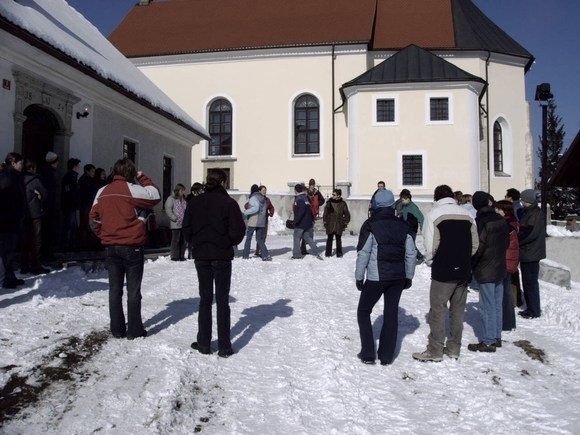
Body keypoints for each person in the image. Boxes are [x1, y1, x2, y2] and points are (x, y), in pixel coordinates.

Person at [89, 158, 161, 340]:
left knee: (114, 290)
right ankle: (134, 330)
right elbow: (155, 195)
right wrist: (142, 177)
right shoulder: (132, 189)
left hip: (111, 246)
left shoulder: (102, 191)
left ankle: (117, 329)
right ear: (130, 173)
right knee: (133, 291)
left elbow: (93, 218)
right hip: (131, 245)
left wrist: (104, 233)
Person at [182, 169, 246, 357]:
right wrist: (227, 241)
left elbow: (186, 228)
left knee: (205, 298)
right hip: (221, 255)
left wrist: (196, 241)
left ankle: (204, 343)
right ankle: (224, 346)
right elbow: (238, 230)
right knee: (222, 300)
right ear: (224, 182)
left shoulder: (195, 202)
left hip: (202, 254)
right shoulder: (229, 203)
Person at [412, 185, 479, 362]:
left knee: (438, 310)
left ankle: (435, 350)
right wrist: (464, 258)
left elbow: (430, 243)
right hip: (463, 269)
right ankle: (454, 348)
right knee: (458, 311)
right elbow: (475, 243)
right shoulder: (467, 214)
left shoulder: (434, 214)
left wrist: (431, 261)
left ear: (436, 198)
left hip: (443, 269)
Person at [355, 189, 416, 365]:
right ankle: (386, 355)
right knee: (391, 313)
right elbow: (411, 253)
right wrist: (409, 276)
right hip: (397, 276)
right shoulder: (403, 225)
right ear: (392, 204)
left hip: (377, 276)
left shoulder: (370, 224)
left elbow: (364, 252)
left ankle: (368, 353)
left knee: (363, 311)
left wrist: (359, 276)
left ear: (376, 204)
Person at [467, 191, 509, 353]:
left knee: (487, 305)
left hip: (485, 267)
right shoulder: (499, 219)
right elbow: (506, 242)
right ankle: (496, 336)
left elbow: (478, 246)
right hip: (499, 264)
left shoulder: (480, 221)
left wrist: (472, 263)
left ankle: (489, 340)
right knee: (497, 304)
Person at [517, 189, 546, 319]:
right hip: (527, 252)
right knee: (527, 281)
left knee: (531, 282)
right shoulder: (528, 212)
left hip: (531, 252)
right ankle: (530, 308)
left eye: (522, 199)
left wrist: (518, 240)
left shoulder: (534, 213)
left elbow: (530, 233)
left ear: (527, 200)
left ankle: (534, 310)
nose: (521, 201)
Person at [0, 153, 26, 289]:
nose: (22, 166)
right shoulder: (9, 178)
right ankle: (6, 279)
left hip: (11, 219)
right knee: (7, 251)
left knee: (9, 250)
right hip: (8, 220)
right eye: (20, 163)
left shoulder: (12, 176)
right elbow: (10, 200)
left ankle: (10, 277)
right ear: (13, 163)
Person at [20, 159, 50, 275]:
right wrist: (39, 197)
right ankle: (35, 265)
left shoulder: (19, 179)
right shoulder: (35, 180)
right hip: (35, 213)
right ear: (32, 168)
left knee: (25, 240)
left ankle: (24, 265)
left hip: (23, 213)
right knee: (36, 240)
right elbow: (45, 194)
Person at [495, 200, 519, 331]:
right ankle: (508, 321)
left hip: (506, 261)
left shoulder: (506, 225)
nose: (496, 211)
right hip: (510, 260)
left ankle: (506, 322)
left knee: (504, 293)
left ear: (505, 211)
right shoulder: (512, 222)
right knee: (506, 291)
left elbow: (502, 244)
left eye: (498, 209)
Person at [242, 184, 272, 260]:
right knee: (259, 239)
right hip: (261, 221)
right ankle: (266, 254)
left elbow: (255, 208)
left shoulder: (253, 198)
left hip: (254, 220)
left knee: (248, 238)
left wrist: (246, 212)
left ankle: (245, 255)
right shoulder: (263, 198)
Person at [292, 183, 322, 259]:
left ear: (295, 190)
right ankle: (316, 251)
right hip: (308, 222)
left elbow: (301, 211)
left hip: (301, 223)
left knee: (296, 237)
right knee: (307, 237)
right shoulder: (305, 198)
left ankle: (297, 254)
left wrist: (296, 221)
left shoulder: (299, 199)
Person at [39, 151, 60, 259]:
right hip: (49, 206)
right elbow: (50, 191)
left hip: (47, 206)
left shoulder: (46, 172)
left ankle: (46, 252)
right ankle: (47, 253)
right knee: (48, 230)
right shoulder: (50, 174)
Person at [398, 190, 425, 263]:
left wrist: (422, 228)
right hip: (406, 228)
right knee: (407, 244)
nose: (401, 201)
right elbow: (404, 216)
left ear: (407, 199)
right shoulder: (405, 206)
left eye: (403, 200)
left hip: (412, 229)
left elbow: (421, 218)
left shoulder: (413, 207)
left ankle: (420, 256)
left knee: (411, 244)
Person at [61, 157, 81, 250]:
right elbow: (69, 192)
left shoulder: (73, 177)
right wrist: (75, 200)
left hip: (72, 205)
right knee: (70, 225)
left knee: (72, 225)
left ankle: (71, 243)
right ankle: (67, 244)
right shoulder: (69, 177)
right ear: (74, 166)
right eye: (78, 166)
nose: (79, 168)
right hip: (70, 205)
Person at [323, 188, 350, 257]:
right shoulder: (329, 203)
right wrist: (325, 221)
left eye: (334, 195)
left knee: (338, 239)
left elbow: (347, 214)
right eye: (332, 194)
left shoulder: (343, 203)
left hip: (339, 224)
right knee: (329, 239)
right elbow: (325, 213)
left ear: (338, 195)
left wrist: (345, 222)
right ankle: (328, 253)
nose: (332, 196)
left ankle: (339, 253)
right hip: (330, 223)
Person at [301, 178, 325, 255]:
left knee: (310, 228)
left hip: (314, 213)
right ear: (309, 185)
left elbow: (322, 200)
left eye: (313, 185)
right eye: (311, 185)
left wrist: (317, 203)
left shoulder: (317, 192)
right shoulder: (306, 191)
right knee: (307, 229)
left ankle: (309, 241)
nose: (312, 186)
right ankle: (307, 242)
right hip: (308, 212)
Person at [164, 183, 187, 261]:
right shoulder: (171, 199)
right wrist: (174, 218)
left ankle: (181, 255)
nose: (183, 192)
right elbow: (168, 210)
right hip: (176, 223)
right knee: (175, 240)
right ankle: (174, 256)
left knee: (183, 240)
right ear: (178, 190)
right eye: (182, 190)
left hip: (183, 222)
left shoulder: (183, 199)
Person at [78, 163, 98, 250]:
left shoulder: (89, 180)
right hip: (87, 205)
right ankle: (84, 243)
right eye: (92, 171)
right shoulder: (85, 181)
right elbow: (86, 194)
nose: (94, 173)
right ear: (87, 171)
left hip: (89, 204)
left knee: (88, 224)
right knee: (85, 224)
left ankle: (87, 243)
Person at [255, 185, 275, 258]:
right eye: (263, 190)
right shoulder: (256, 199)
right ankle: (259, 250)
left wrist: (271, 213)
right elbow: (247, 205)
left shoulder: (267, 200)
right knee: (259, 236)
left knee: (263, 236)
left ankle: (259, 250)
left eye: (265, 190)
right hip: (257, 220)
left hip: (265, 220)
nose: (264, 192)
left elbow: (271, 207)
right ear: (259, 191)